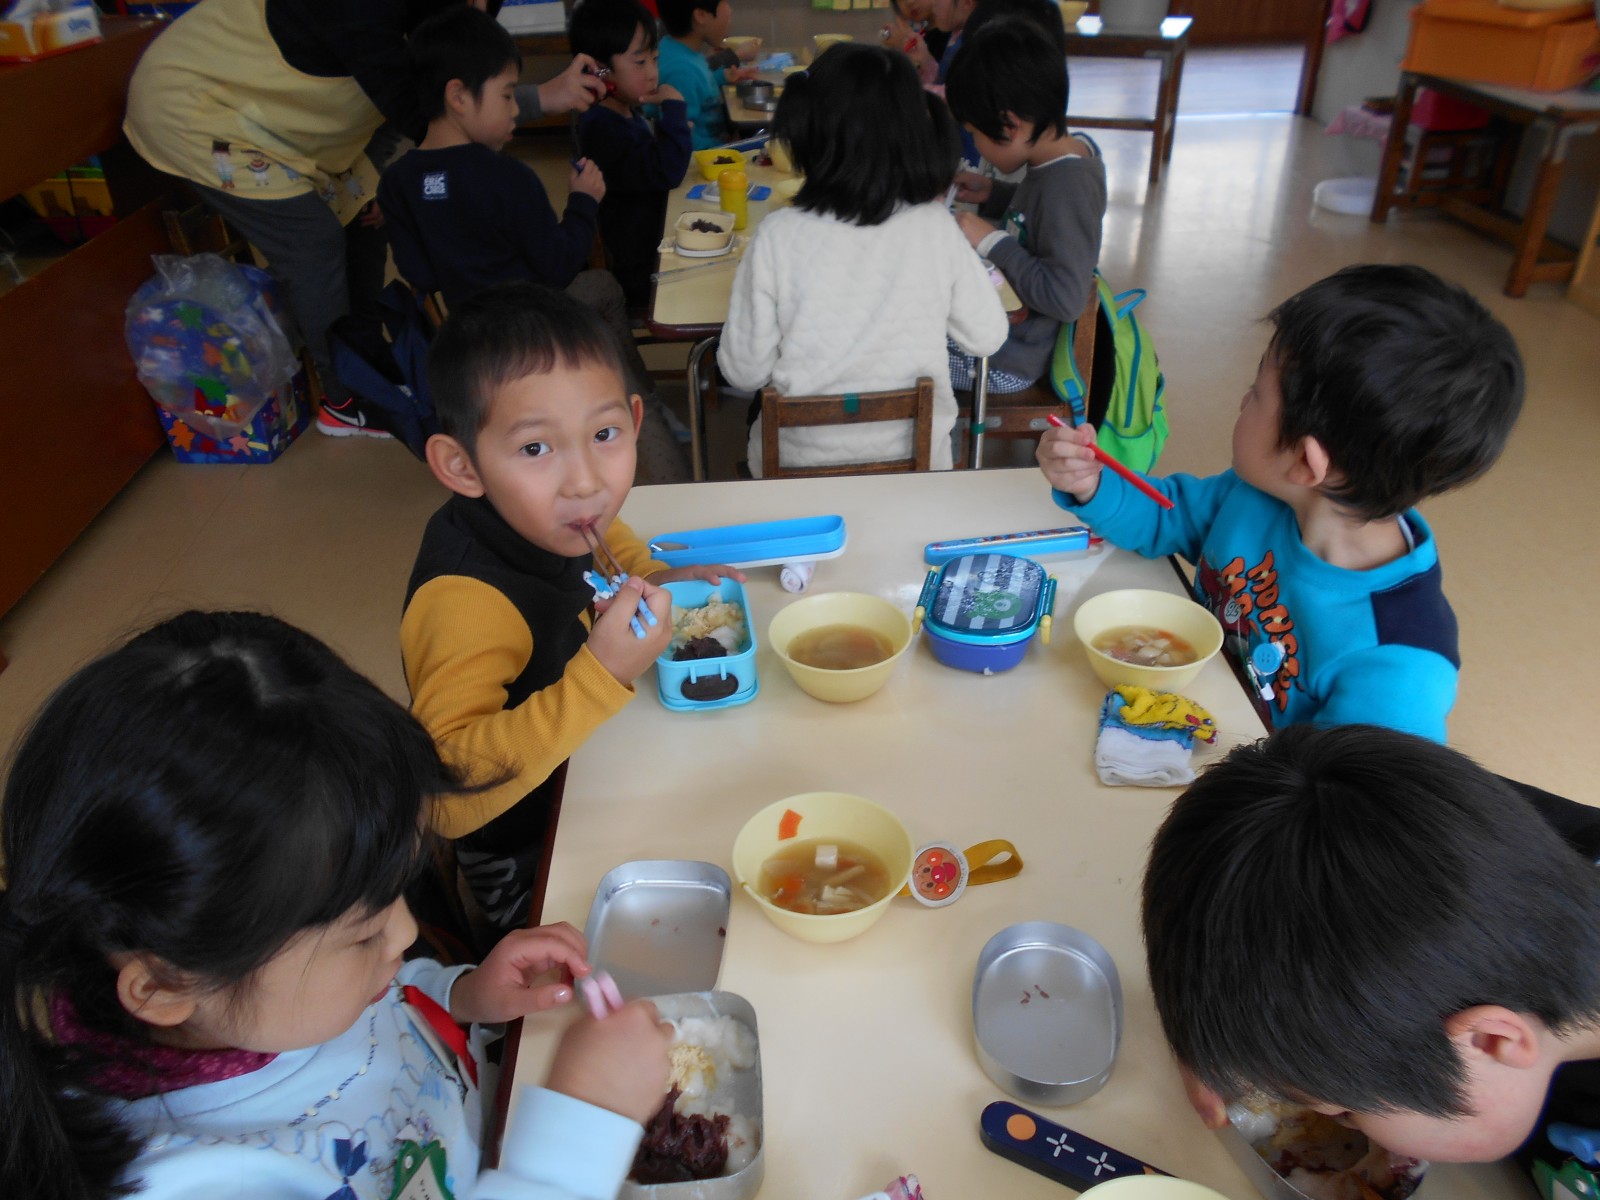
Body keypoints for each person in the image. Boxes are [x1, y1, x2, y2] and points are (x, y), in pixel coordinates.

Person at [0, 609, 672, 1200]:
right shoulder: (201, 1182)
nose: (405, 934)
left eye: (395, 897)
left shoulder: (265, 992)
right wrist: (576, 1138)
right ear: (166, 985)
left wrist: (462, 999)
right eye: (363, 934)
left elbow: (383, 1013)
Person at [1040, 264, 1523, 741]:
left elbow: (1357, 788)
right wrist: (1092, 484)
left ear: (1307, 464)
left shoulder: (1397, 664)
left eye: (1257, 393)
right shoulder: (1256, 495)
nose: (1242, 400)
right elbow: (1167, 515)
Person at [405, 284, 741, 936]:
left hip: (589, 772)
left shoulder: (557, 516)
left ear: (635, 422)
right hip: (526, 853)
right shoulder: (466, 600)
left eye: (604, 434)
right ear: (462, 466)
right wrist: (600, 675)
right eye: (536, 448)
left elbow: (605, 534)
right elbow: (443, 798)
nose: (586, 482)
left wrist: (649, 574)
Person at [1143, 723, 1600, 1189]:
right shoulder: (1445, 825)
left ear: (1488, 1040)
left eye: (1347, 1111)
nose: (1336, 1116)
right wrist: (1223, 1034)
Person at [124, 0, 607, 438]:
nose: (477, 12)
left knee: (362, 216)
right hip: (199, 109)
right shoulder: (362, 16)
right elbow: (425, 112)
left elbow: (406, 116)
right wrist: (550, 127)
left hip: (287, 122)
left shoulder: (418, 137)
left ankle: (368, 364)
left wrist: (391, 191)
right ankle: (344, 398)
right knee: (314, 243)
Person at [379, 4, 690, 483]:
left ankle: (638, 396)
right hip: (538, 329)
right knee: (613, 356)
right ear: (458, 96)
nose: (515, 110)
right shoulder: (508, 176)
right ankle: (663, 456)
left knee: (602, 287)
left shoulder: (396, 182)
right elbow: (559, 265)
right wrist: (583, 201)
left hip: (475, 341)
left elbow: (419, 274)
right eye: (507, 95)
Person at [716, 44, 1006, 476]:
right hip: (917, 471)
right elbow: (987, 337)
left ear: (808, 134)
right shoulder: (934, 227)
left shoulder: (777, 234)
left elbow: (743, 372)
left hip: (795, 473)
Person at [943, 16, 1104, 396]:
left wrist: (992, 241)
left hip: (1005, 360)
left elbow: (1065, 299)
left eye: (974, 134)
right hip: (1002, 337)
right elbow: (1042, 220)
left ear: (1009, 125)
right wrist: (995, 194)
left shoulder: (1068, 185)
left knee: (900, 348)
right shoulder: (1062, 157)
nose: (976, 146)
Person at [570, 0, 693, 311]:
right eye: (640, 62)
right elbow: (667, 171)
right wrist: (674, 109)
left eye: (655, 59)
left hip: (655, 243)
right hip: (641, 269)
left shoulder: (623, 113)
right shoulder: (602, 128)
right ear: (598, 69)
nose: (652, 73)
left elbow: (648, 163)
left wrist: (672, 133)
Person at [656, 0, 758, 150]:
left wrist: (722, 77)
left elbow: (698, 89)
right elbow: (685, 141)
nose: (730, 11)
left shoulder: (679, 49)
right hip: (705, 156)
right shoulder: (681, 70)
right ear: (701, 15)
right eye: (725, 3)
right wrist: (728, 146)